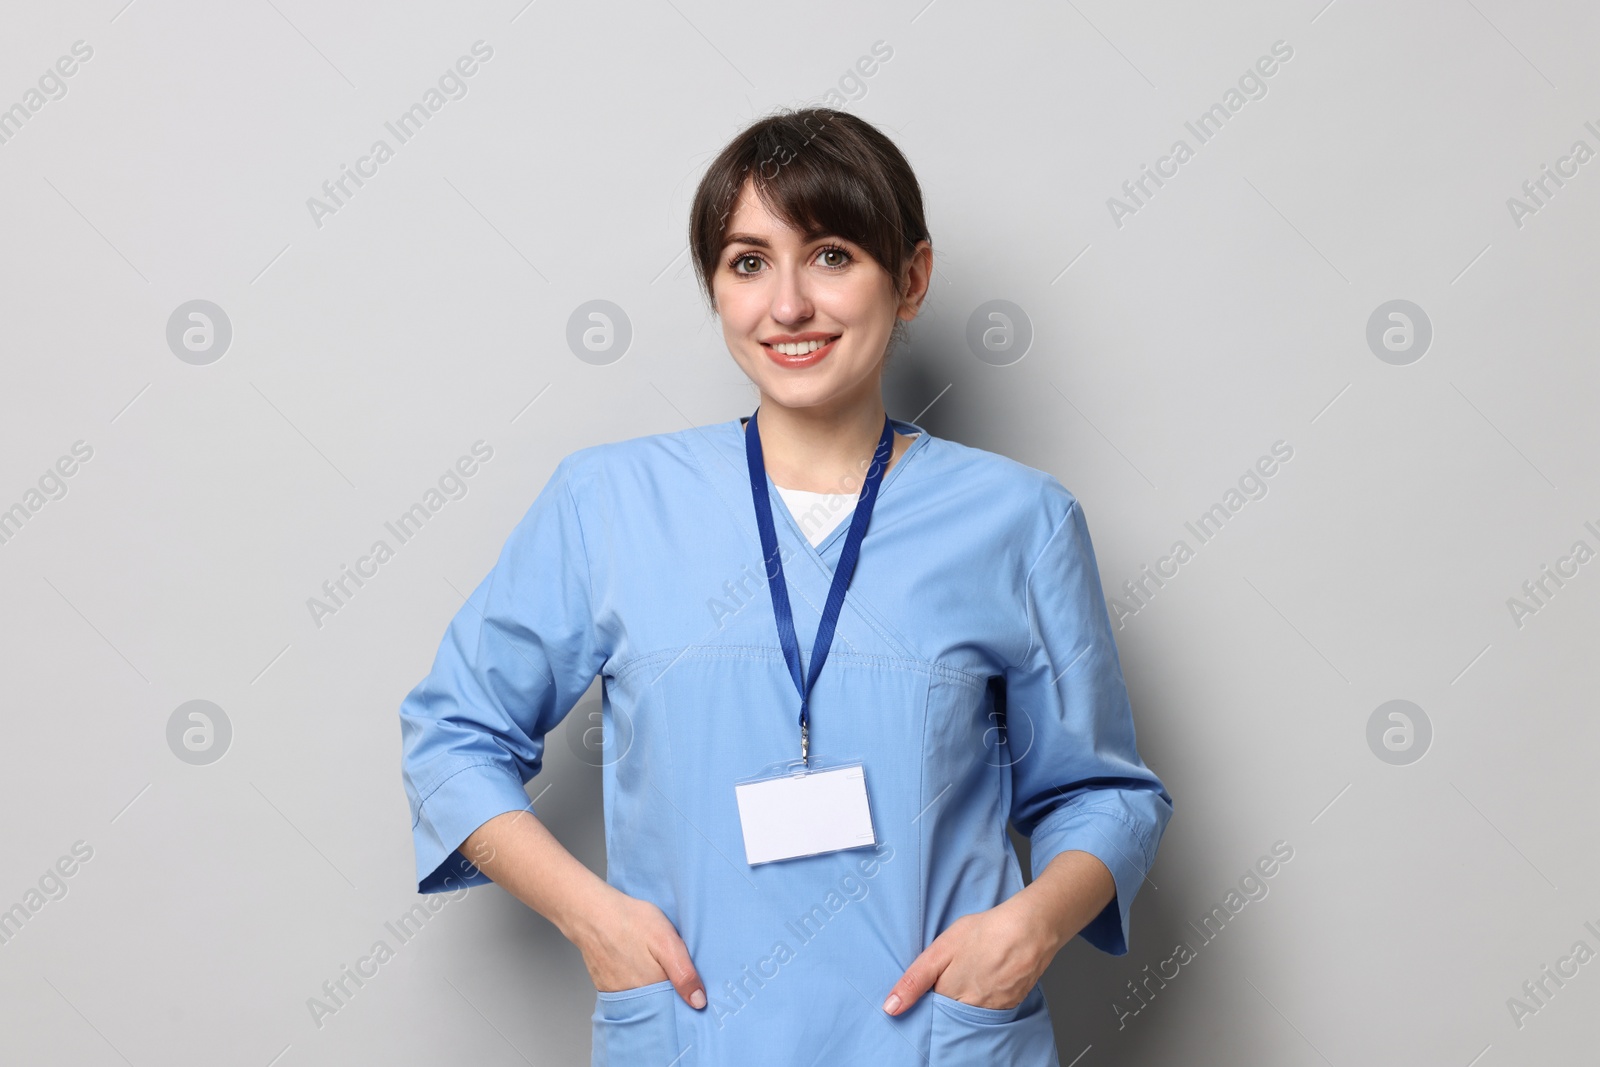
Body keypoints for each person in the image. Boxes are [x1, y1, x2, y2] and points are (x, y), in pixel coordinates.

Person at [398, 106, 1174, 1066]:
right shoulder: (611, 503)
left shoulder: (1017, 521)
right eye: (748, 262)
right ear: (717, 289)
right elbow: (450, 736)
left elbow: (1103, 791)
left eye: (834, 255)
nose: (790, 305)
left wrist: (1027, 934)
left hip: (937, 1038)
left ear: (913, 278)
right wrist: (591, 917)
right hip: (693, 1032)